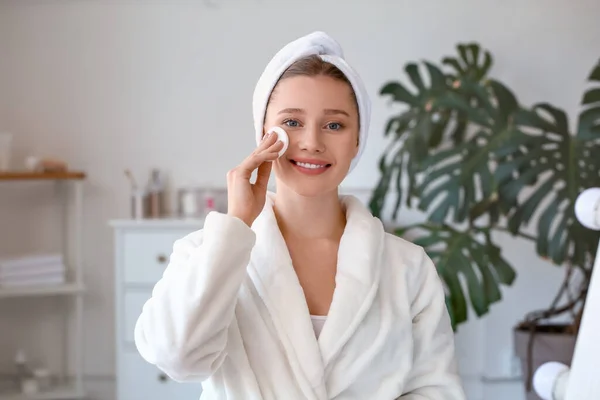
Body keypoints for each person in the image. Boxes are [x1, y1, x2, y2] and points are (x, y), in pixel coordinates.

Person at [134, 31, 466, 400]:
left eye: (335, 125)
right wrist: (235, 226)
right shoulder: (204, 254)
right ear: (264, 133)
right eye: (292, 122)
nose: (311, 142)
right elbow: (177, 359)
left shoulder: (407, 267)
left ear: (358, 139)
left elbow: (435, 390)